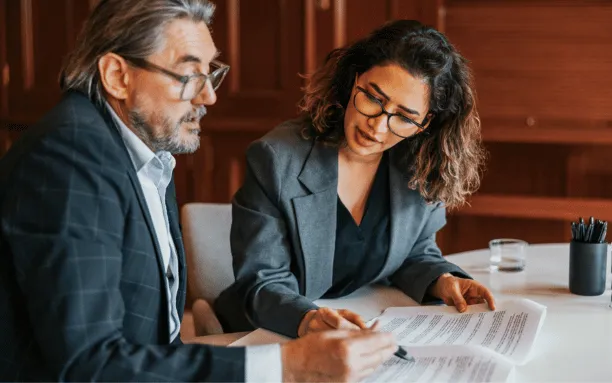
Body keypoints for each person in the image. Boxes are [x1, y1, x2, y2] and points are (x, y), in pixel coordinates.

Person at [0, 0, 397, 381]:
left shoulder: (140, 149)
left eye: (211, 72)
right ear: (117, 76)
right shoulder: (70, 160)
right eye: (190, 75)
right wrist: (286, 367)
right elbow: (90, 362)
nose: (209, 95)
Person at [215, 19, 497, 338]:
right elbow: (262, 282)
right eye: (374, 99)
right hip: (264, 331)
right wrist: (309, 319)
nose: (377, 126)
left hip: (361, 321)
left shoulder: (420, 163)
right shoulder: (277, 159)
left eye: (404, 117)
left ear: (426, 121)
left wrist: (443, 280)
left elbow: (414, 252)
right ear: (354, 79)